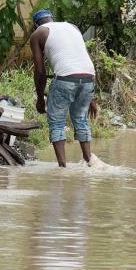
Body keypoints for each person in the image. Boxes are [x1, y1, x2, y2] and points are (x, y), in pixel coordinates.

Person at [29, 10, 97, 168]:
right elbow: (84, 59)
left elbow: (40, 72)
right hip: (88, 77)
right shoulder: (73, 27)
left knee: (57, 122)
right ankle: (89, 161)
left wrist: (40, 99)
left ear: (35, 24)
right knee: (81, 120)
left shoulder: (38, 33)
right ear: (52, 19)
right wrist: (92, 98)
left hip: (65, 78)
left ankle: (63, 168)